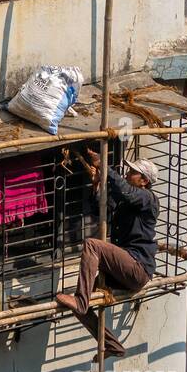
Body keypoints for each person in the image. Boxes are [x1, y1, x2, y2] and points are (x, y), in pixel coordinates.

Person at [54, 151, 160, 357]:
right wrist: (96, 184)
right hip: (123, 268)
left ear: (145, 181)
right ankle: (112, 344)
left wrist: (103, 165)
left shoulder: (147, 198)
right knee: (80, 308)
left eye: (133, 173)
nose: (129, 175)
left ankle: (81, 299)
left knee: (93, 246)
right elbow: (100, 208)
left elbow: (124, 191)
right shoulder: (128, 200)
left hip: (137, 267)